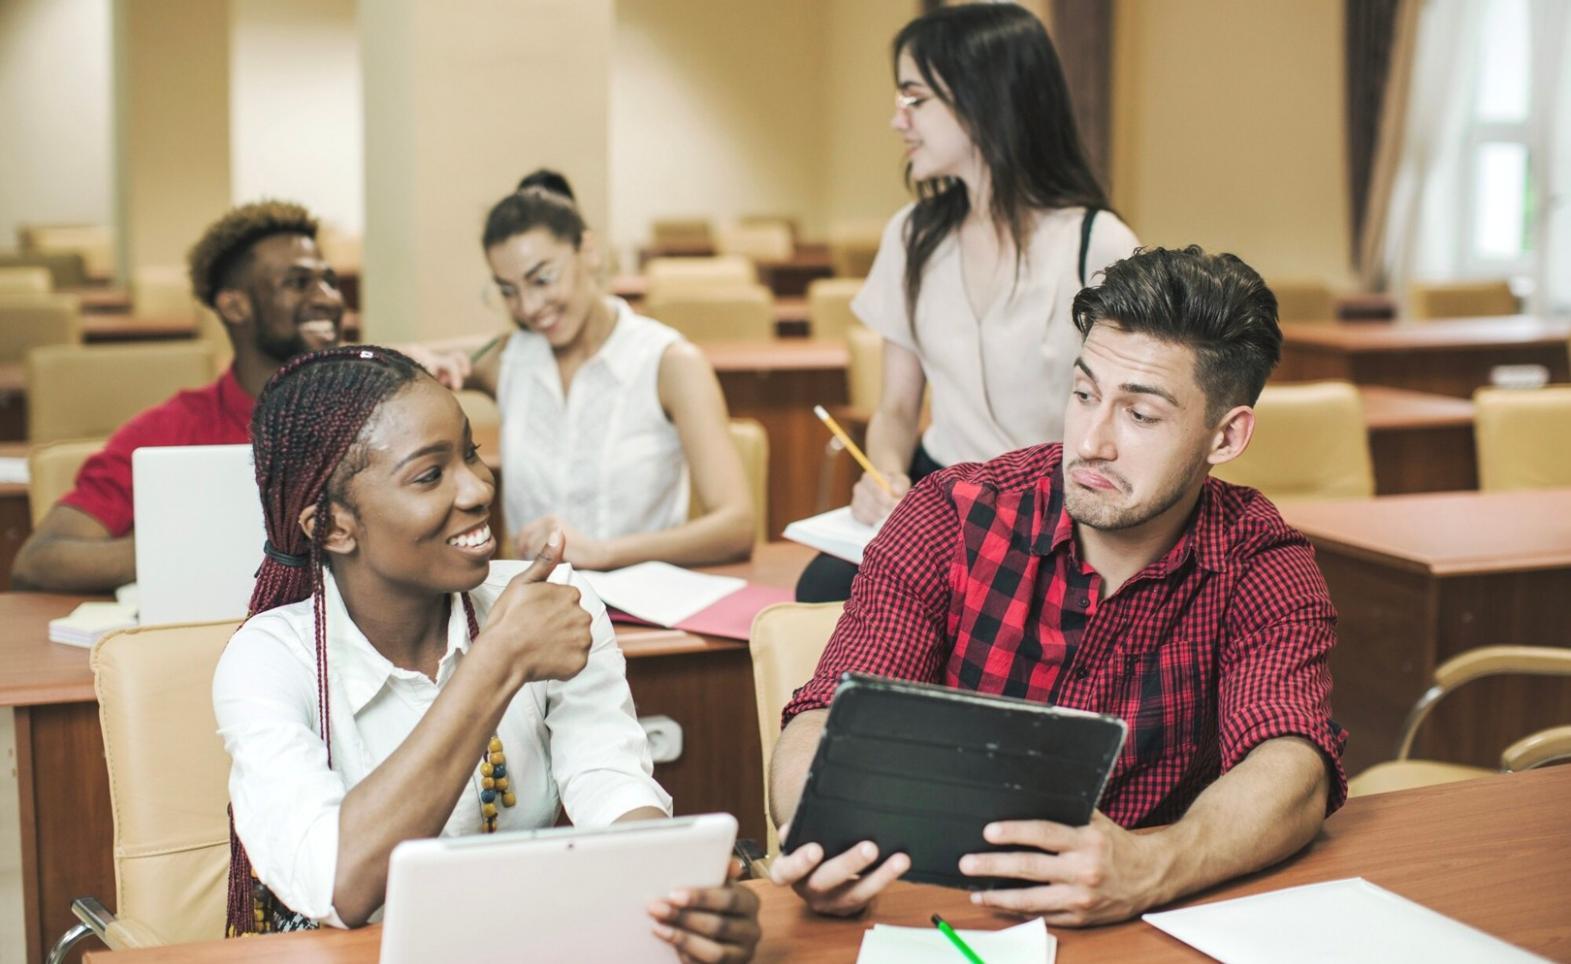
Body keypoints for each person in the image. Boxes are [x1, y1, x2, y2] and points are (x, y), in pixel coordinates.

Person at [770, 247, 1346, 926]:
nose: (1091, 441)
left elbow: (1289, 762)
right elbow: (824, 718)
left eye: (1140, 416)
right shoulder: (948, 515)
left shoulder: (1259, 560)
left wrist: (1154, 868)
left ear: (1224, 436)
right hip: (940, 916)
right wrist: (819, 828)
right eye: (1082, 394)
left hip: (1137, 922)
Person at [213, 346, 759, 959]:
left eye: (470, 452)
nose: (477, 489)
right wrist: (495, 663)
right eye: (429, 475)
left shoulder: (551, 602)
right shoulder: (269, 660)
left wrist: (677, 898)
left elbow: (612, 791)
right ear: (334, 527)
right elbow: (340, 885)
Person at [796, 3, 1140, 602]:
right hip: (945, 488)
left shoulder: (1097, 242)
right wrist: (885, 475)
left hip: (1059, 506)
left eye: (915, 99)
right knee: (823, 589)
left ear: (984, 98)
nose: (897, 121)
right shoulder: (913, 235)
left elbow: (1134, 414)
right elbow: (898, 409)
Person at [10, 200, 464, 593]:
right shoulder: (170, 429)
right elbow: (40, 559)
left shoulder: (380, 411)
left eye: (327, 280)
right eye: (297, 283)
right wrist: (200, 553)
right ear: (234, 306)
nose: (327, 297)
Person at [453, 172, 755, 570]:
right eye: (508, 291)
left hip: (639, 609)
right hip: (530, 608)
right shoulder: (509, 359)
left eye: (542, 279)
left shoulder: (669, 363)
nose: (527, 306)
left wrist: (604, 553)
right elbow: (398, 358)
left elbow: (736, 527)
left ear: (589, 251)